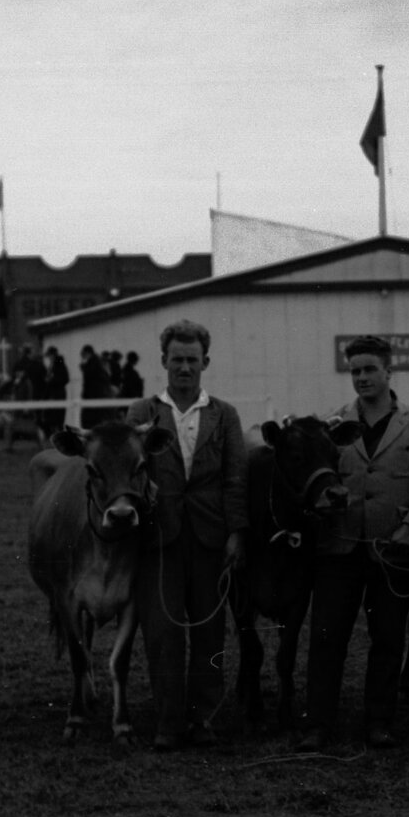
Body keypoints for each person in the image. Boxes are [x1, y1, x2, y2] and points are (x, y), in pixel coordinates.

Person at [301, 335, 409, 751]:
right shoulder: (332, 425)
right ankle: (318, 725)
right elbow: (316, 481)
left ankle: (379, 722)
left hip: (391, 550)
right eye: (355, 371)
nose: (362, 378)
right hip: (339, 549)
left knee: (388, 638)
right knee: (327, 638)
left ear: (388, 372)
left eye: (369, 369)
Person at [123, 320, 249, 750]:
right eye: (176, 359)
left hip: (212, 539)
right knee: (163, 633)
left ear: (205, 363)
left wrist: (236, 533)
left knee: (210, 633)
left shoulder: (224, 415)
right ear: (163, 362)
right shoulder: (142, 413)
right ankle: (168, 723)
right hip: (159, 539)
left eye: (192, 360)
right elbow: (126, 473)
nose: (183, 367)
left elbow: (235, 478)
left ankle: (203, 719)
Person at [79, 344, 113, 428]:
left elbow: (89, 374)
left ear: (87, 353)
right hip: (97, 396)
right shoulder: (97, 362)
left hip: (93, 396)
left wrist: (83, 365)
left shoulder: (93, 363)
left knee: (90, 420)